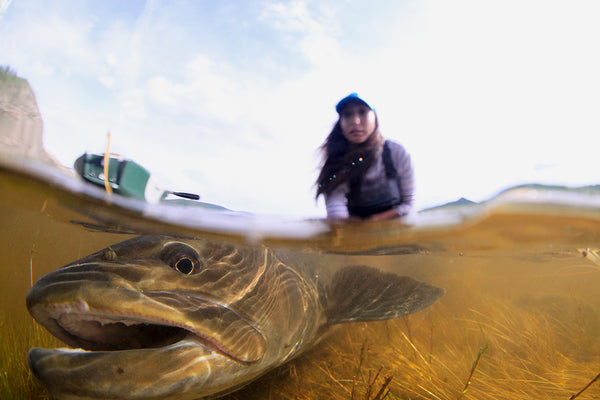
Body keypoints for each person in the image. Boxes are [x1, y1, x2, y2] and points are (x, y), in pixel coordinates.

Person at [315, 93, 414, 221]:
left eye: (362, 112)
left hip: (398, 229)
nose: (355, 121)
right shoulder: (336, 162)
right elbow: (335, 210)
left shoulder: (396, 152)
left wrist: (376, 219)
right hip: (355, 232)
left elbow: (409, 203)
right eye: (348, 114)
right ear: (341, 122)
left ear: (375, 118)